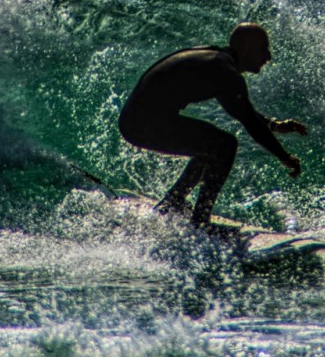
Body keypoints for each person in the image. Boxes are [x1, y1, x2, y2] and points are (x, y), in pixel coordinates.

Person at [118, 23, 307, 229]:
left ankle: (175, 202)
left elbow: (242, 109)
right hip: (142, 123)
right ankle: (199, 220)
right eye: (263, 49)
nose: (268, 56)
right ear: (246, 49)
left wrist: (273, 125)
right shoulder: (225, 71)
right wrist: (283, 156)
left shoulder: (219, 61)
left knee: (212, 145)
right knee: (224, 145)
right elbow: (250, 122)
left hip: (136, 120)